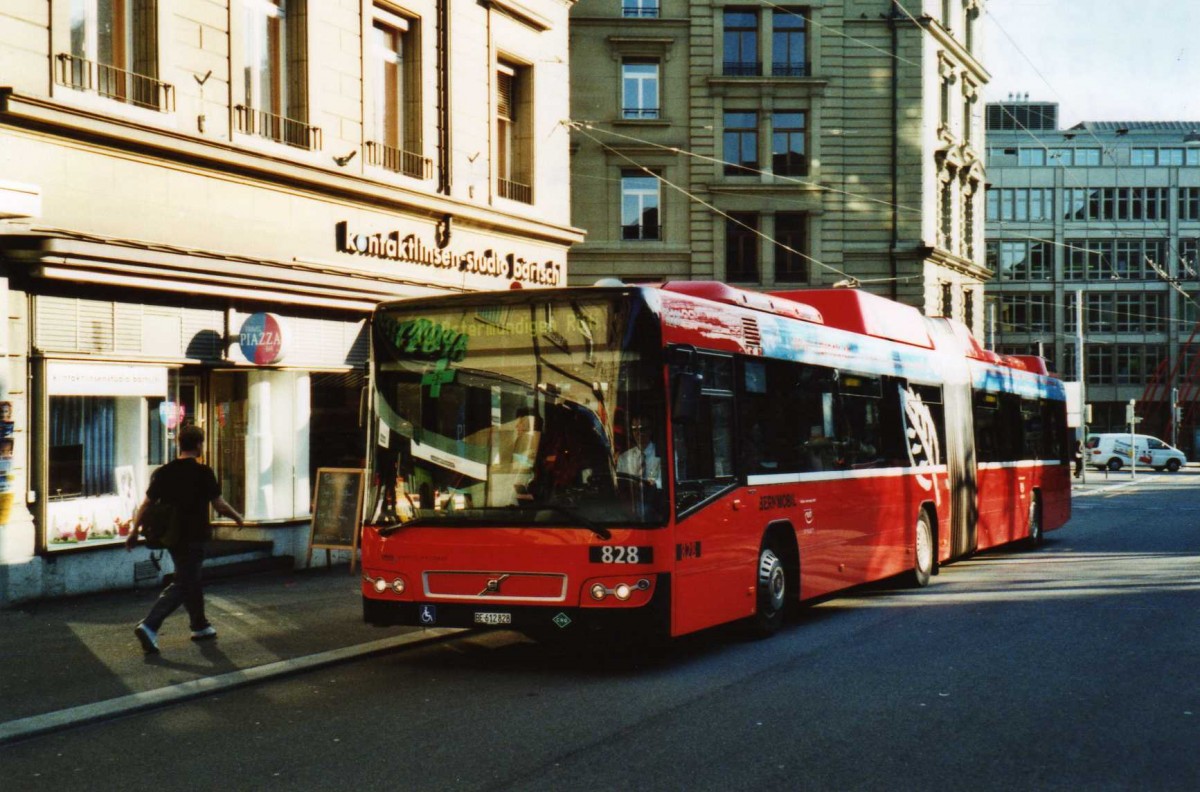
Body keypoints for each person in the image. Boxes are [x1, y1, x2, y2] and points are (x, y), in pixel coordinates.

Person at [125, 424, 244, 654]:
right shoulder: (203, 472)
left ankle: (199, 625)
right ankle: (150, 625)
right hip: (195, 535)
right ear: (199, 444)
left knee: (191, 577)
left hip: (171, 536)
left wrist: (133, 531)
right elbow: (219, 504)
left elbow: (146, 505)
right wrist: (238, 517)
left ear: (179, 444)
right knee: (185, 581)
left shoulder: (164, 471)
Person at [617, 417, 661, 488]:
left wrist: (655, 484)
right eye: (634, 429)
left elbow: (668, 482)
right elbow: (620, 484)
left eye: (642, 429)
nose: (638, 433)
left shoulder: (662, 453)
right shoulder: (624, 458)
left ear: (650, 430)